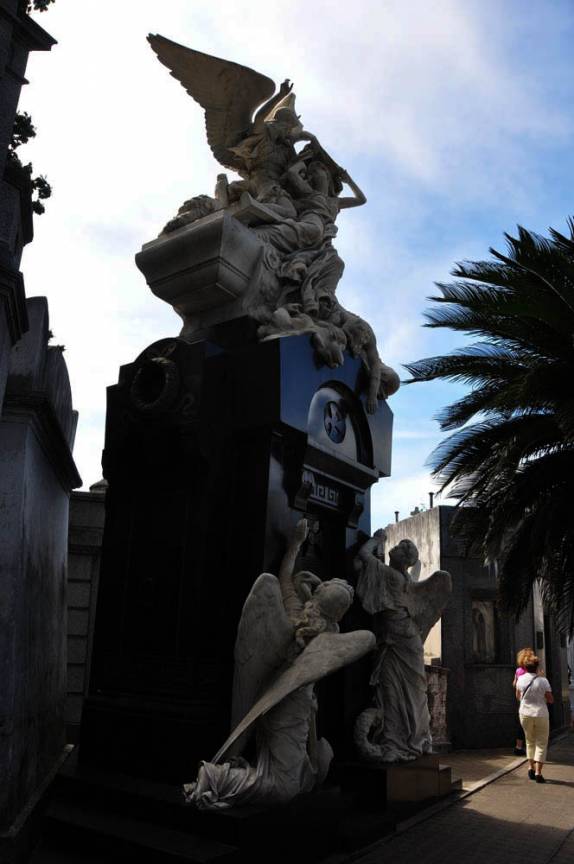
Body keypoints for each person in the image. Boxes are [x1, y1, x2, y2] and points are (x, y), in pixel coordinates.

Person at [516, 648, 553, 783]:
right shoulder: (543, 681)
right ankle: (538, 772)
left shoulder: (520, 679)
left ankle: (530, 767)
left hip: (525, 713)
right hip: (541, 713)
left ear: (525, 666)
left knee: (529, 741)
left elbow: (518, 697)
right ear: (537, 666)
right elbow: (550, 700)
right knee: (541, 743)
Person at [512, 647, 530, 755]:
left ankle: (518, 746)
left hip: (522, 701)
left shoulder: (518, 671)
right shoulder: (533, 670)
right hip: (534, 703)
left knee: (521, 724)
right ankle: (530, 748)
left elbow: (514, 684)